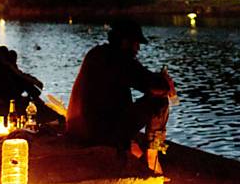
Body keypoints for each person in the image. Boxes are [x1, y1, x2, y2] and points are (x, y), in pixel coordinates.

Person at [67, 19, 175, 173]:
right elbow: (154, 85)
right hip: (99, 133)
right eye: (136, 43)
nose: (138, 49)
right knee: (160, 101)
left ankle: (130, 146)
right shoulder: (120, 59)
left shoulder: (96, 53)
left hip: (77, 129)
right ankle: (152, 159)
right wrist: (165, 81)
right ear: (125, 42)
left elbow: (140, 79)